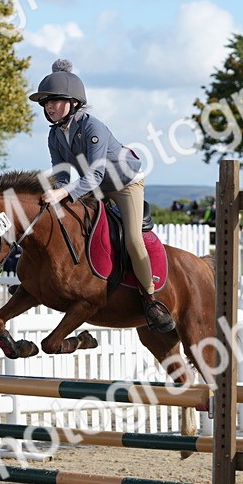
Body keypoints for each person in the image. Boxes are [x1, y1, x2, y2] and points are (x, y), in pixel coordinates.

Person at [29, 58, 174, 332]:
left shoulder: (92, 128)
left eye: (55, 100)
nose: (48, 106)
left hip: (125, 184)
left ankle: (150, 299)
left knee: (132, 239)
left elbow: (94, 175)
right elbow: (62, 175)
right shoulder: (54, 136)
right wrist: (54, 193)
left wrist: (63, 192)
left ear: (74, 102)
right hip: (95, 186)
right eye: (45, 103)